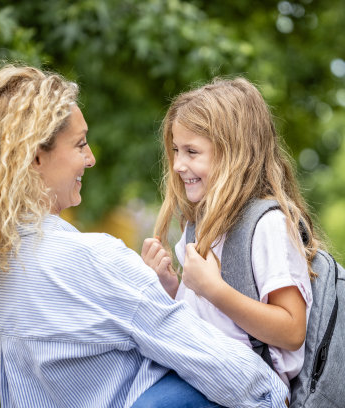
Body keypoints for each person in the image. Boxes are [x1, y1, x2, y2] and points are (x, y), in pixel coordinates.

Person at [0, 65, 289, 407]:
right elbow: (211, 361)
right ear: (35, 158)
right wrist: (274, 393)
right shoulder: (94, 260)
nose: (91, 158)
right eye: (80, 144)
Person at [140, 77, 319, 401]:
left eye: (192, 151)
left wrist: (213, 289)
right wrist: (170, 288)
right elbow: (204, 315)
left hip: (254, 388)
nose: (179, 165)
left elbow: (292, 330)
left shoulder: (268, 226)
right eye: (177, 151)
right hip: (209, 372)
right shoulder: (201, 222)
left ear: (234, 154)